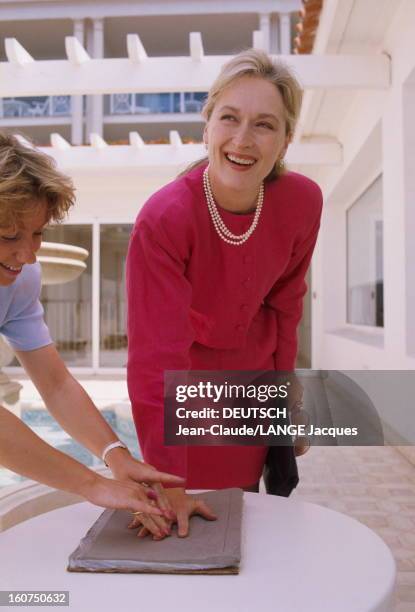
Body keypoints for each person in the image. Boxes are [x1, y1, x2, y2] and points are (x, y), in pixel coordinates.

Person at [126, 49, 323, 537]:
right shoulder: (164, 217)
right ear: (207, 124)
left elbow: (286, 306)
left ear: (286, 139)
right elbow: (154, 357)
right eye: (229, 118)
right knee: (183, 529)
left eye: (264, 125)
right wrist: (167, 479)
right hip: (185, 390)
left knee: (245, 522)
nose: (242, 140)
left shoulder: (303, 201)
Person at [0, 132, 184, 538]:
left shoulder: (22, 278)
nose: (29, 254)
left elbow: (56, 383)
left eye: (37, 234)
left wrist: (114, 456)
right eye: (10, 236)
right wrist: (92, 484)